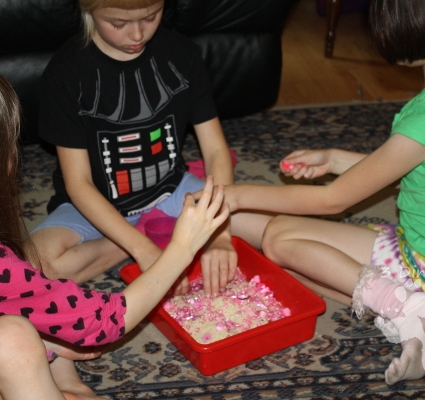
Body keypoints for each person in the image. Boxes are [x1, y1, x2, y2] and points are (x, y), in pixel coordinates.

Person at [196, 0, 425, 385]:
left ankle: (412, 309)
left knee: (279, 242)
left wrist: (236, 194)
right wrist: (336, 158)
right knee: (293, 273)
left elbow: (333, 200)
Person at [0, 56, 229, 400]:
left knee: (25, 308)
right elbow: (105, 323)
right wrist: (182, 248)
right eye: (7, 145)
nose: (15, 156)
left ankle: (72, 388)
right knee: (13, 335)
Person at [29, 0, 272, 295]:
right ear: (87, 11)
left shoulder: (182, 54)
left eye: (150, 17)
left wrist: (219, 235)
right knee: (37, 264)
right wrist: (142, 248)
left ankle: (170, 229)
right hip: (96, 203)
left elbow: (216, 151)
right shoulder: (66, 73)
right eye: (118, 24)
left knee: (271, 228)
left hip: (172, 189)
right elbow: (79, 184)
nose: (137, 35)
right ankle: (151, 232)